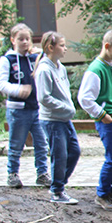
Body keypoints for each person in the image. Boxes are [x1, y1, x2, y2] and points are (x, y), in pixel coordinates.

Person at [78, 29, 112, 214]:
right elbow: (85, 98)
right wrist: (102, 114)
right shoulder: (95, 69)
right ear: (107, 46)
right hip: (108, 120)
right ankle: (102, 194)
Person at [0, 23, 51, 189]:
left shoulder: (35, 58)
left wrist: (40, 54)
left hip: (37, 108)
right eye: (21, 39)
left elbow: (49, 65)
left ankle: (42, 173)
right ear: (13, 40)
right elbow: (1, 83)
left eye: (27, 39)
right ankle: (12, 173)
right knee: (16, 144)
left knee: (41, 143)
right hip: (18, 110)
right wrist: (18, 90)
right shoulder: (8, 60)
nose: (25, 42)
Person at [34, 31, 81, 204]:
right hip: (52, 120)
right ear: (50, 47)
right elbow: (43, 98)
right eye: (62, 45)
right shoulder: (44, 70)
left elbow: (64, 92)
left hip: (64, 119)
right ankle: (57, 191)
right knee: (59, 155)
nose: (65, 48)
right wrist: (65, 108)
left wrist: (68, 108)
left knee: (74, 151)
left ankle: (59, 183)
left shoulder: (60, 67)